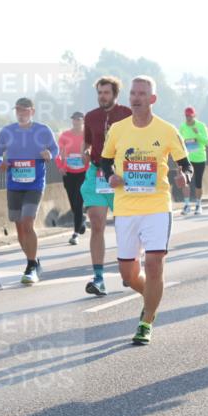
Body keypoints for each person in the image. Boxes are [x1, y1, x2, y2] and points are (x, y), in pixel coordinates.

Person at [99, 76, 191, 345]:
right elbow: (105, 163)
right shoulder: (117, 129)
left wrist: (184, 176)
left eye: (142, 93)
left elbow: (186, 164)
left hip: (157, 206)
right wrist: (110, 177)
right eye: (133, 93)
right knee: (128, 276)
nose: (136, 98)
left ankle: (146, 320)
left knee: (153, 264)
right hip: (126, 207)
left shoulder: (166, 130)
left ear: (153, 99)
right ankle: (151, 295)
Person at [0, 97, 59, 284]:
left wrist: (50, 155)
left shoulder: (42, 130)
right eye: (18, 110)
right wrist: (0, 163)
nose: (21, 113)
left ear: (32, 111)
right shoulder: (7, 131)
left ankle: (30, 265)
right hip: (14, 184)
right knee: (19, 227)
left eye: (24, 110)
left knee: (27, 221)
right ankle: (33, 260)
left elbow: (55, 149)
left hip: (35, 183)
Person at [81, 77, 132, 296]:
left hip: (121, 175)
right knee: (97, 222)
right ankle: (99, 278)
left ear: (115, 94)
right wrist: (85, 154)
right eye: (100, 92)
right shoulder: (91, 117)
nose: (103, 96)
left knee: (125, 226)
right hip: (97, 172)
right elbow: (88, 142)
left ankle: (129, 270)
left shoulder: (127, 114)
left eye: (106, 93)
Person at [56, 111, 87, 244]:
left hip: (83, 172)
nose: (76, 122)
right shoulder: (65, 136)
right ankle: (81, 221)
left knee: (78, 202)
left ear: (83, 121)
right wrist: (60, 166)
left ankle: (75, 234)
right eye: (74, 119)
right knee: (73, 204)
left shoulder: (87, 135)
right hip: (68, 173)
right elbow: (58, 153)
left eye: (79, 120)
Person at [179, 106, 208, 214]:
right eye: (187, 116)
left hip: (200, 158)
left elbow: (207, 142)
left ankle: (198, 205)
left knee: (198, 183)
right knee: (185, 182)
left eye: (190, 116)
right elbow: (179, 141)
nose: (188, 118)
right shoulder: (182, 127)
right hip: (187, 159)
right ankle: (187, 205)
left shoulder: (201, 126)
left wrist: (198, 134)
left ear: (194, 116)